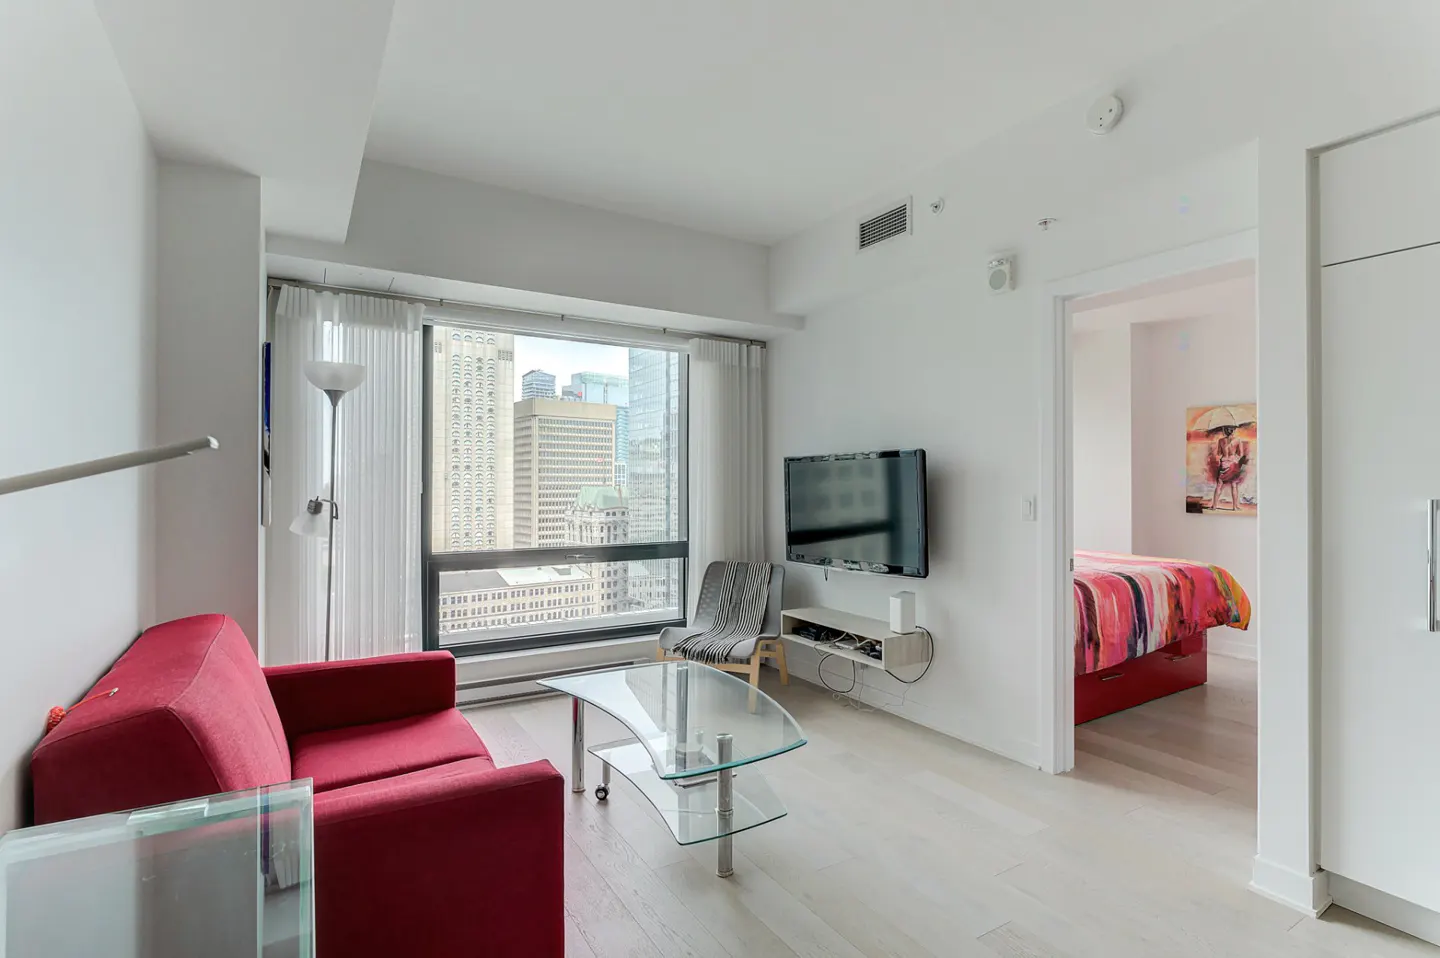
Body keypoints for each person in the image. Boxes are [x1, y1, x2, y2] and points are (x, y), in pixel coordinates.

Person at [1206, 424, 1250, 511]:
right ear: (1233, 430)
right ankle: (1234, 507)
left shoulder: (1221, 441)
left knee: (1219, 485)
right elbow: (1240, 454)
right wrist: (1233, 459)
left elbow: (1219, 454)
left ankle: (1214, 506)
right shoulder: (1238, 440)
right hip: (1233, 464)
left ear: (1224, 430)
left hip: (1224, 463)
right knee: (1234, 485)